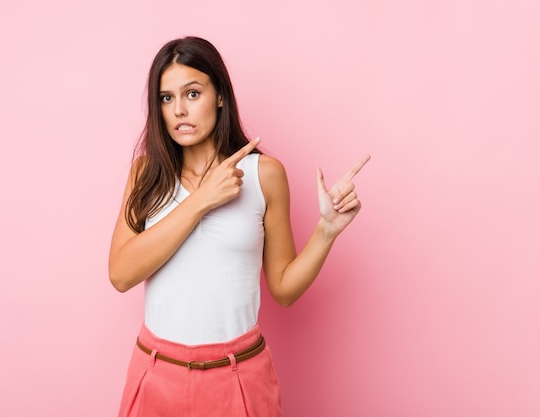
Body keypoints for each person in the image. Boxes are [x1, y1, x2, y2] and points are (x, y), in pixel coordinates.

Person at [108, 36, 369, 417]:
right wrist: (202, 200)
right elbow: (120, 274)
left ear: (219, 95)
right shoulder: (146, 174)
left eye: (192, 93)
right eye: (166, 98)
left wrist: (326, 231)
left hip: (239, 377)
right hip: (156, 374)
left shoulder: (265, 174)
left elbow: (282, 289)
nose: (179, 110)